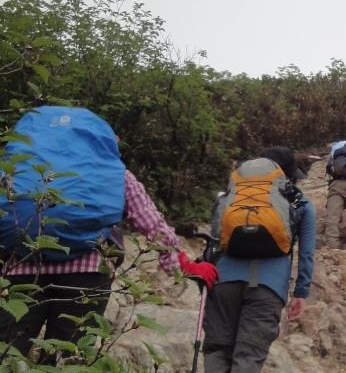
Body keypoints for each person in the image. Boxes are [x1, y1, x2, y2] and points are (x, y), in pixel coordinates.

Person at [0, 105, 216, 355]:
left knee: (8, 353)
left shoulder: (16, 169)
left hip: (23, 265)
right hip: (87, 273)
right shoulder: (112, 172)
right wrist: (181, 265)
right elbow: (150, 221)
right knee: (68, 356)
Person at [198, 146, 315, 373]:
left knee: (217, 347)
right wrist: (301, 292)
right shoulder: (300, 202)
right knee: (248, 355)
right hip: (268, 288)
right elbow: (307, 253)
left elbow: (215, 239)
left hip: (224, 281)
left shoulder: (230, 196)